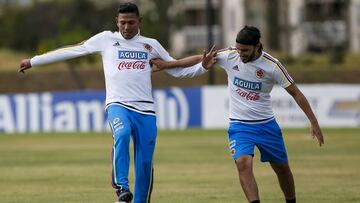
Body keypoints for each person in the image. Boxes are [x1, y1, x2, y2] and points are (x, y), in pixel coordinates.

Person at [18, 2, 215, 203]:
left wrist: (203, 68)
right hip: (118, 105)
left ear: (140, 21)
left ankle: (138, 200)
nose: (127, 27)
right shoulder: (105, 39)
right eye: (123, 23)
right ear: (116, 22)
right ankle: (122, 188)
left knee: (145, 162)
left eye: (131, 22)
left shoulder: (151, 45)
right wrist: (34, 61)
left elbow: (177, 70)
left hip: (146, 111)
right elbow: (71, 50)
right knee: (121, 134)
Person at [152, 25, 324, 203]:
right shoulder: (231, 55)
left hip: (266, 125)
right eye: (238, 48)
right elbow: (200, 58)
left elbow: (295, 92)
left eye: (245, 50)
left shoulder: (272, 66)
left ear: (257, 46)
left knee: (282, 169)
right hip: (239, 125)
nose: (240, 53)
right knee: (243, 163)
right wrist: (168, 64)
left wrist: (313, 122)